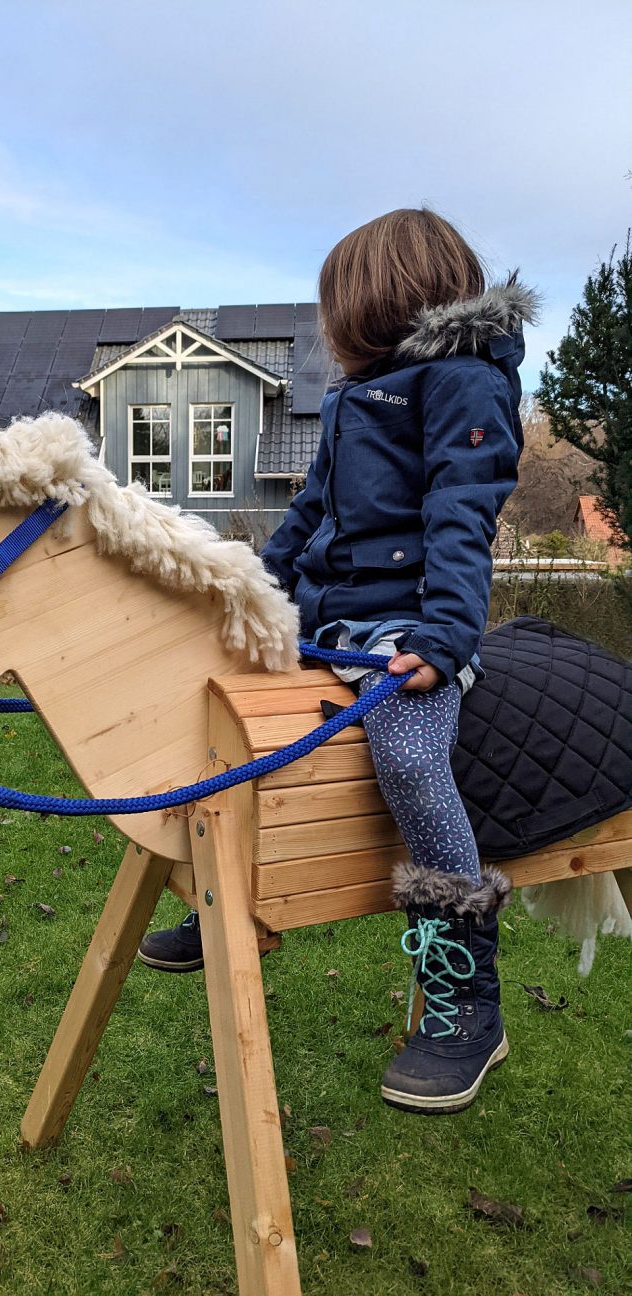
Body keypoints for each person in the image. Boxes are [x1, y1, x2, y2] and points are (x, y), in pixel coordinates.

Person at [138, 208, 539, 1115]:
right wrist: (248, 592)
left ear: (377, 301)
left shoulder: (464, 384)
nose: (326, 327)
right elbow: (307, 516)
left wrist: (443, 639)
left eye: (334, 308)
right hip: (331, 620)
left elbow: (461, 512)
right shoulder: (358, 399)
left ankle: (466, 995)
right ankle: (228, 901)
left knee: (404, 752)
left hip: (409, 630)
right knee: (219, 714)